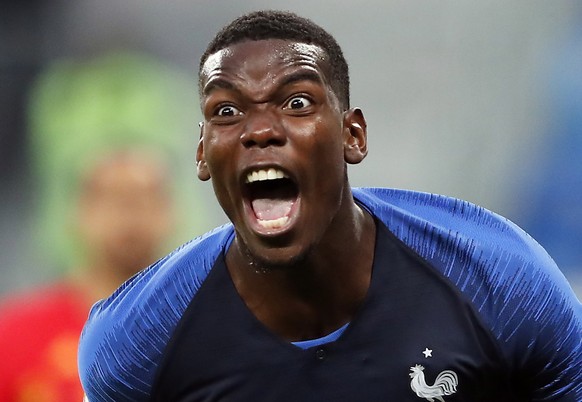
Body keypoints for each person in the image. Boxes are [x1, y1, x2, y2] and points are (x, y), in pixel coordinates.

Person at [78, 10, 582, 401]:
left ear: (353, 135)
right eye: (227, 111)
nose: (260, 131)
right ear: (203, 153)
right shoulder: (137, 345)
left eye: (296, 102)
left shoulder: (499, 283)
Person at [0, 52, 204, 402]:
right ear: (73, 209)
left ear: (174, 207)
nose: (129, 216)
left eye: (146, 197)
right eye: (109, 196)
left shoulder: (214, 332)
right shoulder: (12, 337)